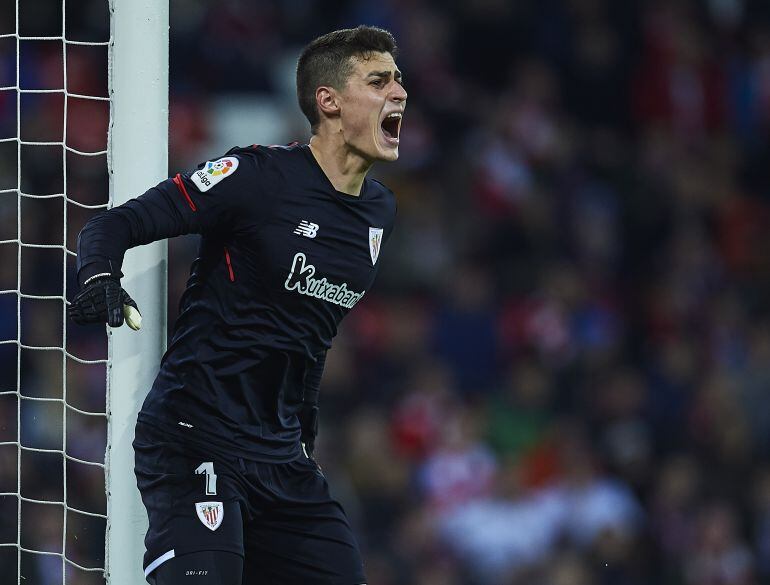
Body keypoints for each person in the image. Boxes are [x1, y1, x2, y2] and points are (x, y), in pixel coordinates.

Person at [68, 25, 406, 585]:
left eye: (399, 80)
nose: (399, 93)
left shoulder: (379, 214)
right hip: (195, 435)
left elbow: (310, 334)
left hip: (280, 459)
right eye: (379, 81)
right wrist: (99, 275)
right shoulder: (256, 177)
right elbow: (117, 222)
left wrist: (304, 430)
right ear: (329, 101)